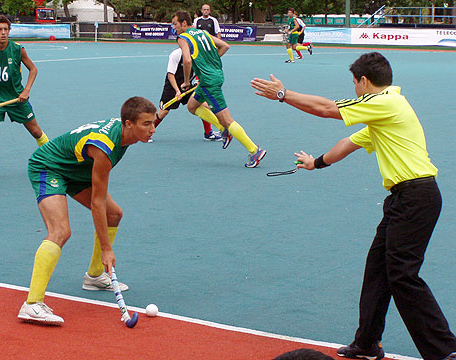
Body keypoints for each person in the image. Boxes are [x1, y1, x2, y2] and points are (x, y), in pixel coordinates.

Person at [251, 52, 456, 360]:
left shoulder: (386, 102)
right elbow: (349, 143)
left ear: (363, 81)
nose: (354, 90)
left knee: (402, 274)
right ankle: (367, 343)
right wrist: (316, 163)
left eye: (354, 83)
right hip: (405, 199)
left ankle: (445, 350)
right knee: (378, 269)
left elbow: (327, 108)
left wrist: (283, 94)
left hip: (417, 197)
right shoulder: (383, 113)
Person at [17, 97, 156, 325]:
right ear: (129, 124)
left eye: (153, 123)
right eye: (146, 124)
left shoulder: (124, 134)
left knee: (114, 214)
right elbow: (97, 203)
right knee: (60, 231)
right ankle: (31, 304)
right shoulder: (104, 147)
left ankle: (94, 276)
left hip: (75, 170)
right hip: (48, 167)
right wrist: (106, 249)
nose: (152, 129)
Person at [173, 10, 266, 168]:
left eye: (175, 24)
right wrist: (209, 62)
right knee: (192, 106)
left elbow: (187, 61)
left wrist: (187, 82)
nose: (173, 27)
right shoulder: (202, 33)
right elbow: (225, 46)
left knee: (227, 119)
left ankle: (254, 150)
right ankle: (222, 129)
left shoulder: (183, 38)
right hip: (214, 76)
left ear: (183, 23)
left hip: (209, 82)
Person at [0, 14, 49, 179]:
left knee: (36, 132)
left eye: (6, 29)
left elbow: (33, 69)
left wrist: (27, 90)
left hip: (17, 98)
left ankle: (53, 160)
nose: (3, 33)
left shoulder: (18, 49)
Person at [154, 46, 222, 142]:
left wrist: (198, 80)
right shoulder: (176, 54)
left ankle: (208, 133)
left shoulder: (197, 54)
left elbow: (201, 69)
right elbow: (170, 75)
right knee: (163, 112)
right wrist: (177, 91)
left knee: (204, 105)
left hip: (188, 85)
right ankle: (148, 133)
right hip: (172, 87)